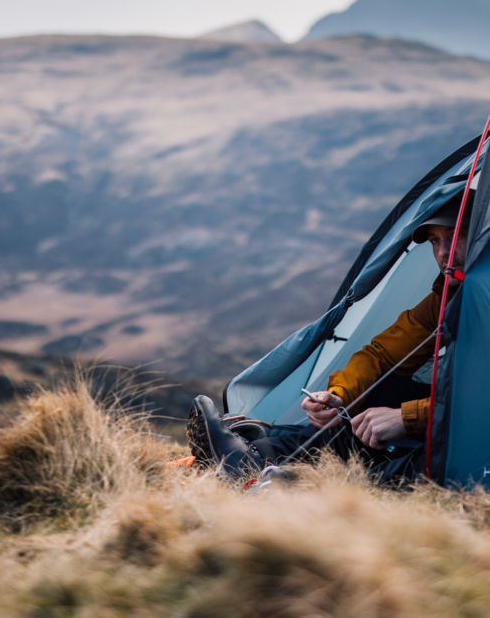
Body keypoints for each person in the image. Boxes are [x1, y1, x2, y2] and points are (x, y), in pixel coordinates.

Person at [187, 192, 473, 483]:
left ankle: (309, 483)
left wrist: (406, 418)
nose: (443, 253)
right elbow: (381, 355)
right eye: (436, 240)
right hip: (457, 413)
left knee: (430, 452)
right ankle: (260, 454)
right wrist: (339, 395)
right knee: (379, 389)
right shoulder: (446, 299)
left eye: (458, 235)